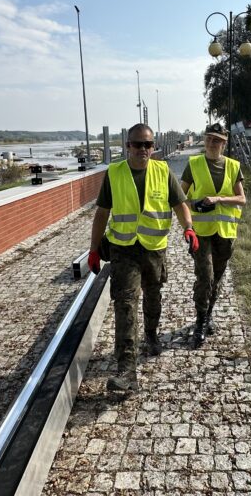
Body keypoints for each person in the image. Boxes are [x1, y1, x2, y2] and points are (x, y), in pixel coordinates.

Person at [87, 123, 197, 393]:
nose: (143, 149)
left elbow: (180, 204)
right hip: (123, 248)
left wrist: (189, 228)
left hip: (154, 248)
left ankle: (150, 333)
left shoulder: (163, 171)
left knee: (153, 295)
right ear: (128, 146)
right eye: (138, 144)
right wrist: (92, 249)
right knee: (124, 304)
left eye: (148, 145)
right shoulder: (114, 173)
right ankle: (126, 370)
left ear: (153, 146)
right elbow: (102, 213)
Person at [181, 123, 246, 347]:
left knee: (216, 278)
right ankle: (200, 322)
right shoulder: (194, 164)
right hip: (201, 232)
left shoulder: (234, 166)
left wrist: (219, 199)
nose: (211, 143)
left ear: (224, 143)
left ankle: (208, 315)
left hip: (225, 233)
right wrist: (194, 205)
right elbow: (180, 198)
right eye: (209, 138)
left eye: (216, 140)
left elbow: (242, 199)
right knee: (205, 277)